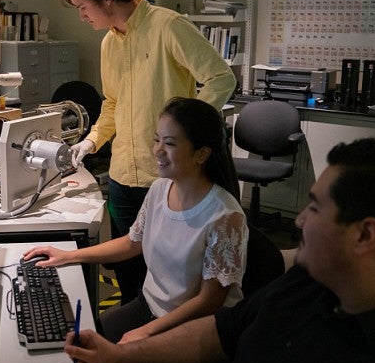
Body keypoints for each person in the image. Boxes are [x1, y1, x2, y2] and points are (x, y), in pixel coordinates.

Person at [64, 138, 375, 363]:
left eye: (314, 208)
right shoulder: (318, 279)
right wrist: (119, 354)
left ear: (366, 235)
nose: (301, 222)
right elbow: (221, 333)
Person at [59, 0, 237, 305]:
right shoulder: (109, 43)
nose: (81, 16)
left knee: (175, 284)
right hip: (124, 176)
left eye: (83, 6)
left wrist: (188, 130)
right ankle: (132, 337)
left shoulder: (168, 26)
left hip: (169, 180)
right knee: (130, 280)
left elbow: (221, 77)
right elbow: (112, 102)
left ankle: (170, 346)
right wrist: (92, 140)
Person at [24, 98, 247, 350]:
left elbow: (209, 302)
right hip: (148, 307)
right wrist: (67, 256)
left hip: (193, 327)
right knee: (77, 345)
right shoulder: (160, 189)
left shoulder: (225, 216)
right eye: (157, 139)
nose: (157, 150)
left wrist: (145, 332)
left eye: (170, 143)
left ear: (202, 154)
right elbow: (132, 243)